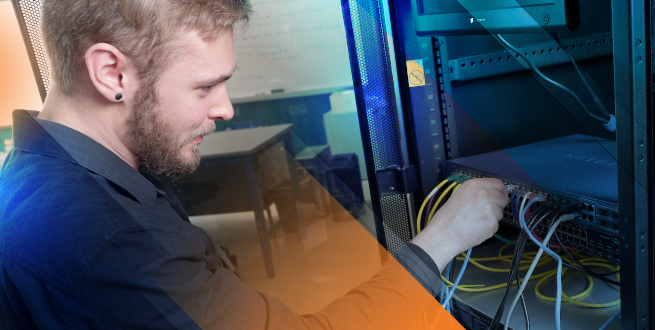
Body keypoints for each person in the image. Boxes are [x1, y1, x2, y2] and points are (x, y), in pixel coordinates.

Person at [0, 0, 509, 329]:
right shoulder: (116, 243)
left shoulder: (35, 172)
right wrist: (443, 239)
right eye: (205, 86)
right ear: (111, 71)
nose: (225, 108)